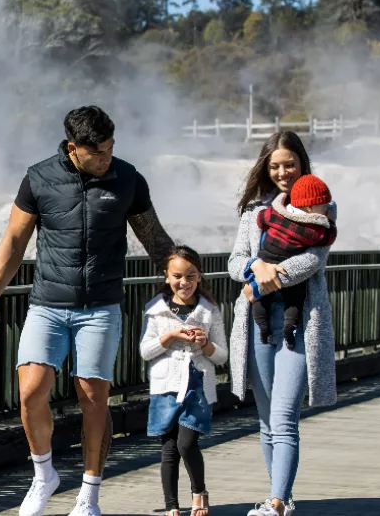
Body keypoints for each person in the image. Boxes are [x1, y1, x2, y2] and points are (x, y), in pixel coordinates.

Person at [0, 105, 175, 516]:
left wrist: (187, 282)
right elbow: (13, 242)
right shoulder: (39, 178)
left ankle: (89, 494)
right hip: (47, 305)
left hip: (100, 308)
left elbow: (155, 238)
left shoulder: (128, 179)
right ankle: (44, 474)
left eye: (111, 148)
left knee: (92, 398)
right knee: (30, 392)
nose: (107, 158)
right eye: (98, 152)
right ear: (72, 149)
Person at [226, 132, 338, 516]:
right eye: (274, 165)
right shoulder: (253, 212)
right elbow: (234, 261)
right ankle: (282, 499)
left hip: (300, 320)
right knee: (266, 419)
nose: (282, 172)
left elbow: (313, 260)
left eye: (289, 164)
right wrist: (253, 267)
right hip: (256, 323)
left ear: (302, 164)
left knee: (283, 415)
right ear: (265, 168)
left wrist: (269, 276)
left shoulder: (321, 206)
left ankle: (275, 503)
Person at [139, 246, 227, 516]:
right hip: (166, 386)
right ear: (167, 276)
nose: (184, 282)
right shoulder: (155, 311)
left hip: (197, 385)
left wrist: (206, 344)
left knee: (186, 443)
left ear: (199, 277)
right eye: (177, 276)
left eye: (190, 276)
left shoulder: (209, 311)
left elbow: (222, 356)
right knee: (169, 448)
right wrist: (171, 336)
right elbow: (145, 351)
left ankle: (199, 491)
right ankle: (171, 506)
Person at [250, 174, 337, 350]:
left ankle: (263, 328)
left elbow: (260, 220)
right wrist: (331, 222)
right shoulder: (312, 229)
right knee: (295, 300)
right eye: (323, 205)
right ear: (310, 208)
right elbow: (327, 238)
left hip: (265, 260)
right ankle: (289, 328)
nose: (325, 208)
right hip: (285, 269)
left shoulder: (275, 213)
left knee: (260, 301)